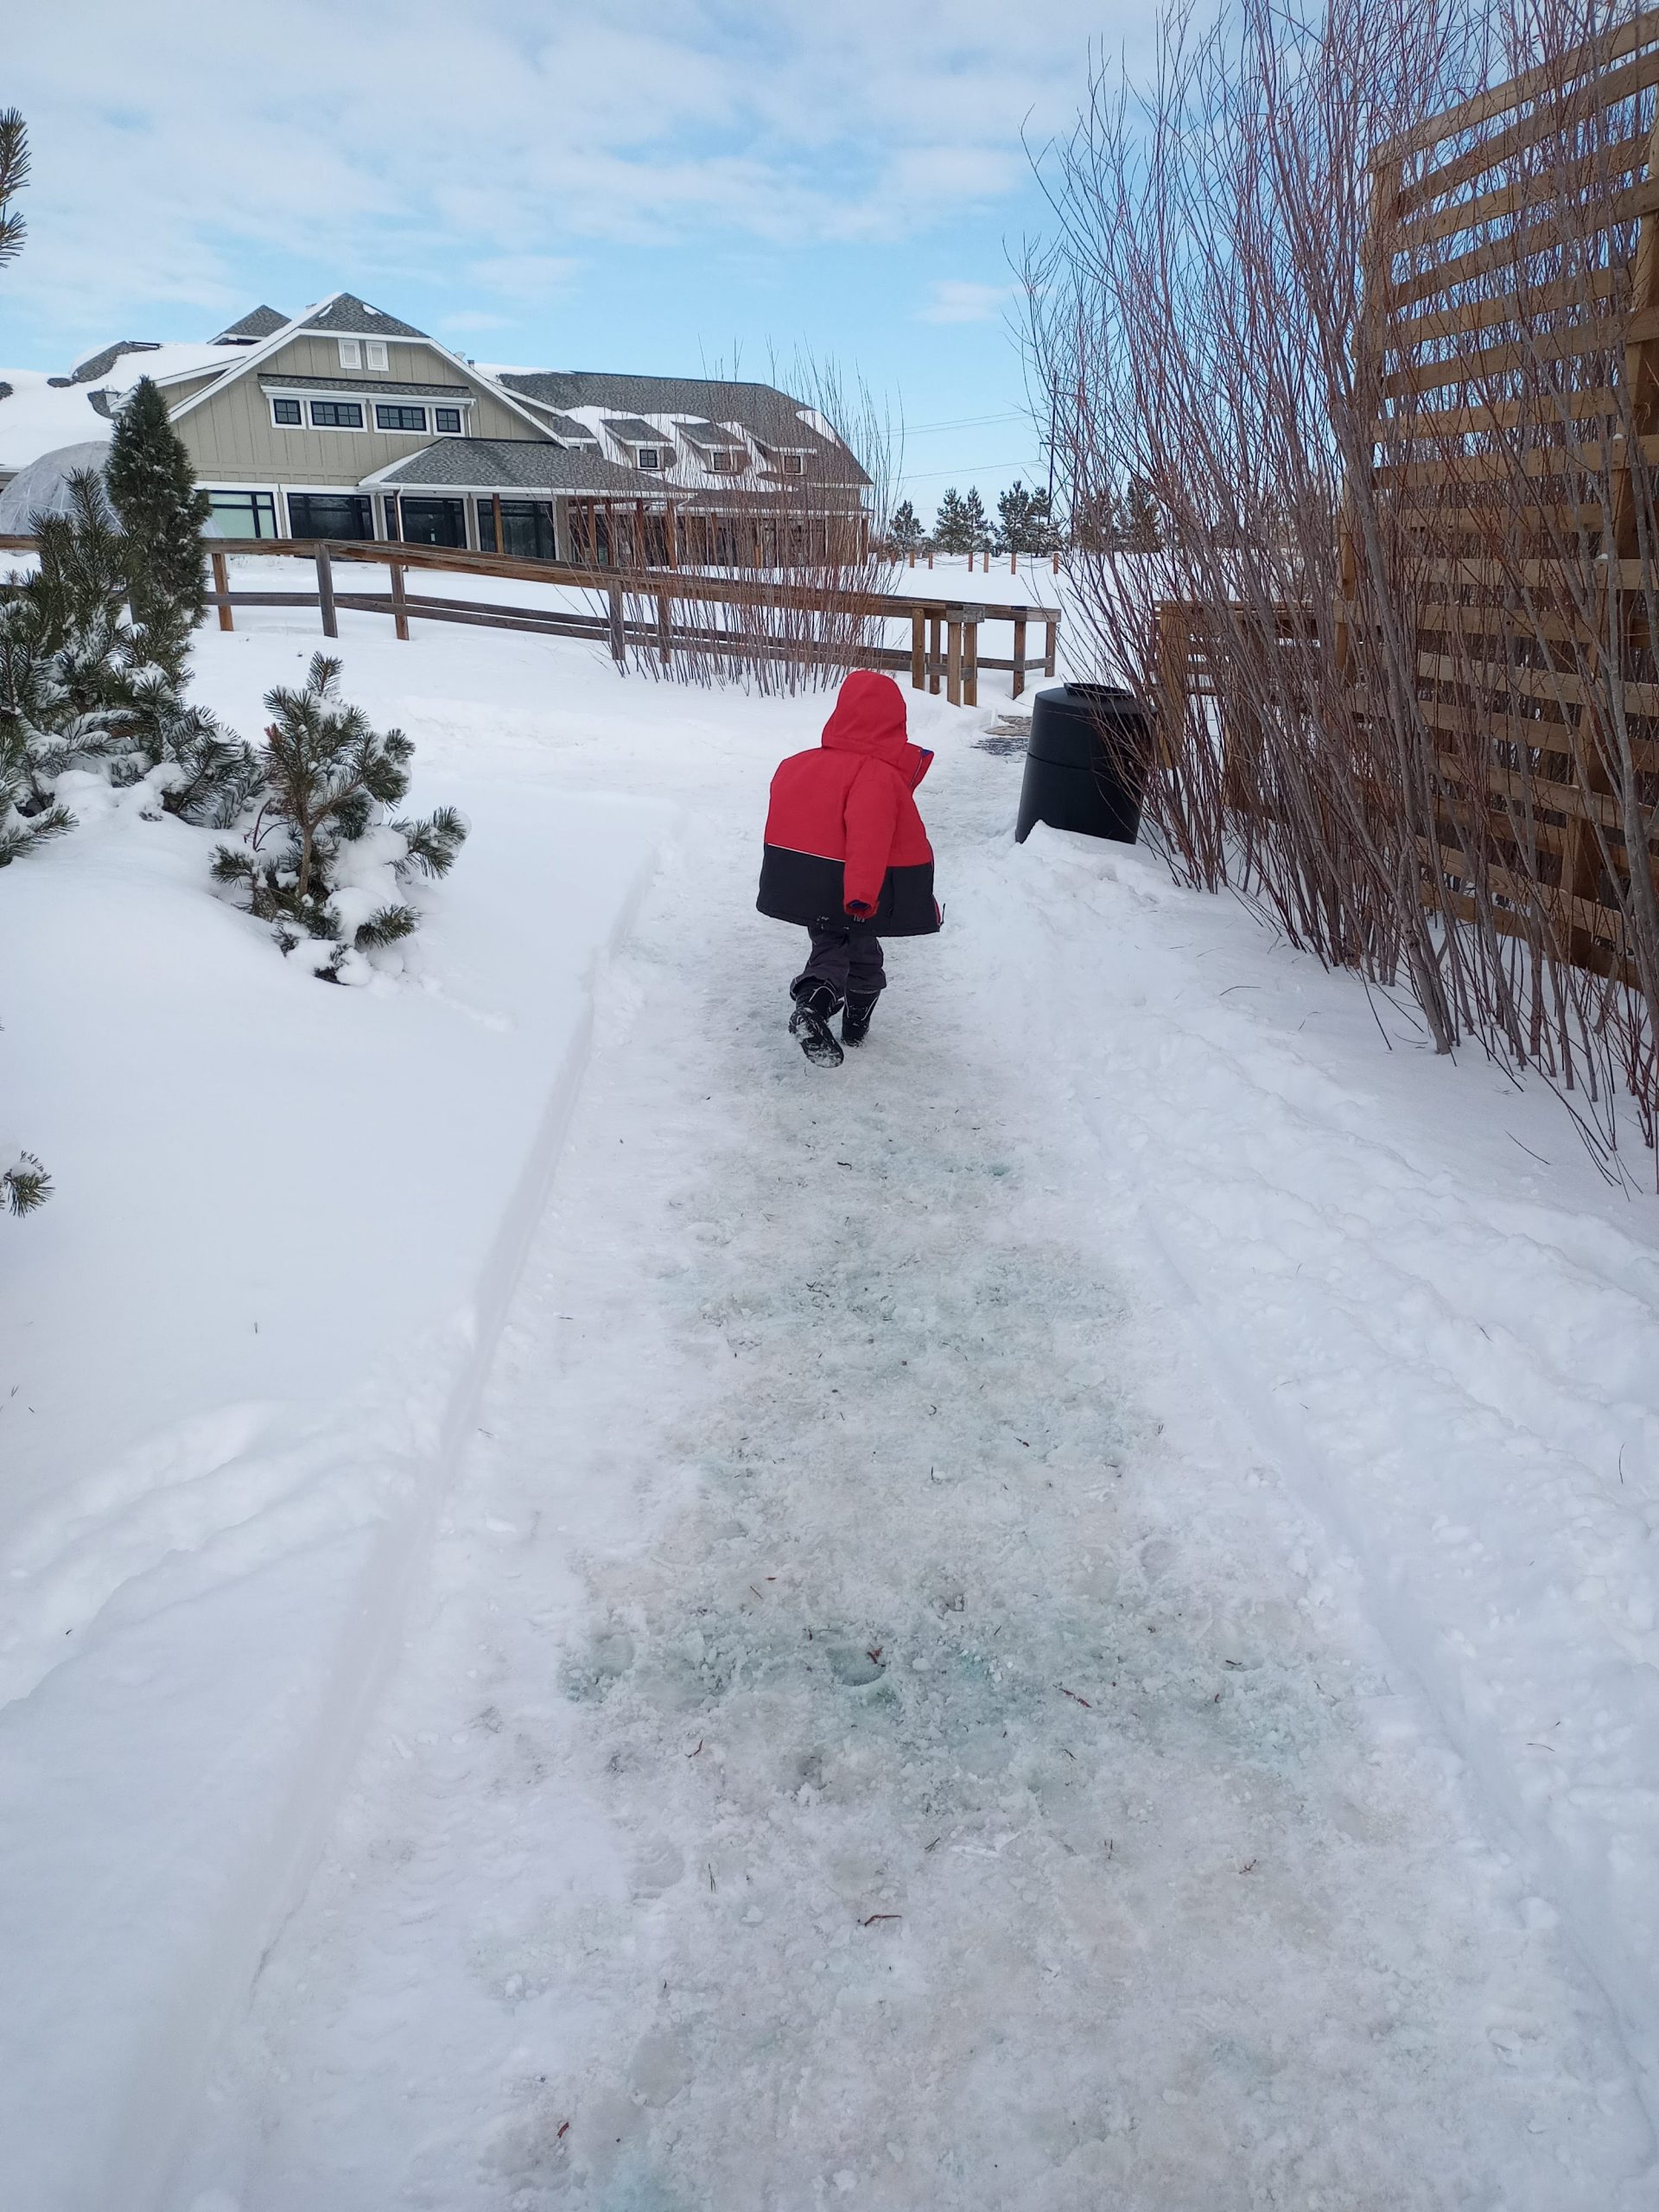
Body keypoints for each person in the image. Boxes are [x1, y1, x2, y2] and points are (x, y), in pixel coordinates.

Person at [756, 669, 941, 1066]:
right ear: (894, 723)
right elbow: (868, 840)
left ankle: (843, 1022)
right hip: (855, 889)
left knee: (846, 949)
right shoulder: (874, 775)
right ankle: (817, 1007)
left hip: (804, 883)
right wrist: (862, 896)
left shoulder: (798, 764)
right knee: (846, 949)